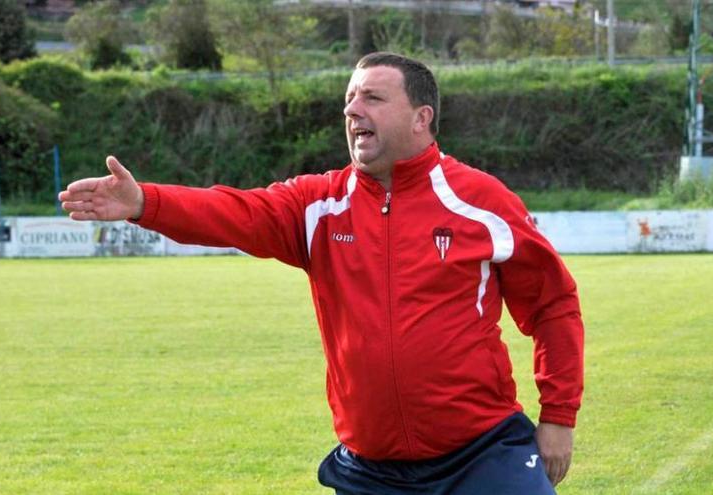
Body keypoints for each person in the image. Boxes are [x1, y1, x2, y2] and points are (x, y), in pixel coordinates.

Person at [59, 52, 584, 493]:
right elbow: (234, 213)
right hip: (371, 467)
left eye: (372, 98)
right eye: (350, 99)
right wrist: (145, 201)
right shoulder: (319, 204)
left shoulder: (480, 202)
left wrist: (558, 417)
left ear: (422, 117)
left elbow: (552, 305)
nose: (352, 109)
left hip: (481, 456)